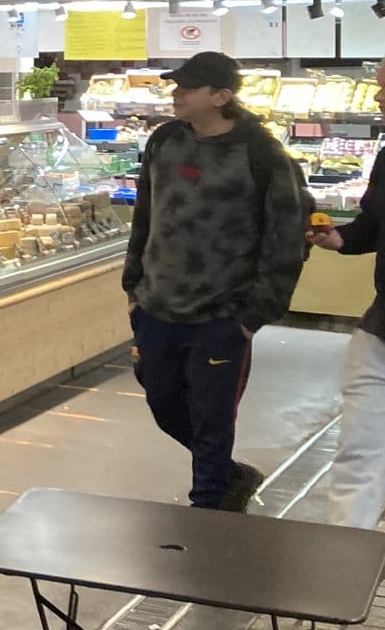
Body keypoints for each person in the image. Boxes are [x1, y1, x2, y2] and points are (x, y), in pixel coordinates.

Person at [123, 51, 306, 511]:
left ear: (221, 96)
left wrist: (254, 316)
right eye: (176, 84)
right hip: (157, 307)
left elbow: (286, 239)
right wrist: (133, 287)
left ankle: (209, 506)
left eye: (188, 86)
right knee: (163, 402)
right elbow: (144, 216)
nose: (175, 92)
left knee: (211, 418)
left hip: (222, 315)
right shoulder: (163, 141)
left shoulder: (263, 154)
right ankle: (227, 474)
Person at [309, 58, 385, 528]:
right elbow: (375, 225)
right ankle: (344, 574)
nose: (377, 98)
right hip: (380, 331)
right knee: (358, 452)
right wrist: (341, 239)